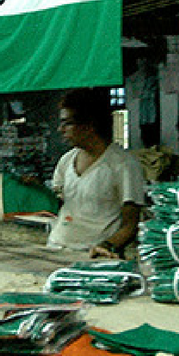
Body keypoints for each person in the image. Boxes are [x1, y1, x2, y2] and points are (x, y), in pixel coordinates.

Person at [46, 88, 146, 259]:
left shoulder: (123, 165)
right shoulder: (66, 161)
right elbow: (60, 205)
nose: (60, 129)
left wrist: (107, 246)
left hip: (94, 254)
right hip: (56, 246)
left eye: (67, 123)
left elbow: (131, 225)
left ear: (89, 126)